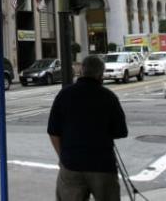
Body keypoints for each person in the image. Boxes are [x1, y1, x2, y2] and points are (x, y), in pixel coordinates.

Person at [47, 55, 128, 201]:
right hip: (102, 165)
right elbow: (121, 131)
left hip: (71, 164)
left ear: (81, 71)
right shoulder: (109, 97)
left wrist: (62, 157)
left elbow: (53, 132)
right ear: (100, 74)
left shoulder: (64, 95)